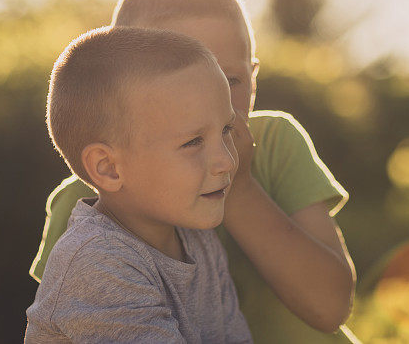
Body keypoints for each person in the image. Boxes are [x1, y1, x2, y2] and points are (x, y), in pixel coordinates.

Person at [29, 0, 358, 343]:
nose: (214, 102)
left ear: (253, 80)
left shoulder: (277, 144)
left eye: (228, 80)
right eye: (180, 85)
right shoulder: (91, 203)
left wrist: (240, 186)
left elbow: (330, 307)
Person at [25, 26, 253, 343]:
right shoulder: (96, 264)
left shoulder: (198, 239)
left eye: (226, 129)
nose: (227, 161)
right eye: (193, 142)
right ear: (108, 168)